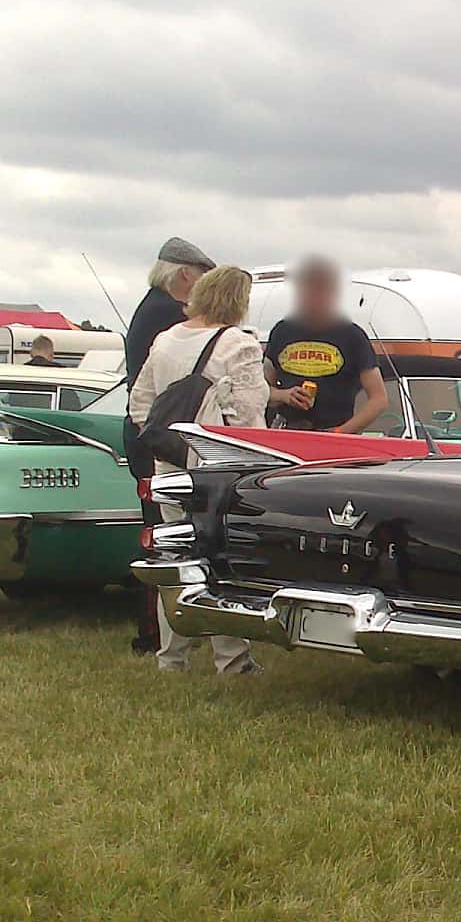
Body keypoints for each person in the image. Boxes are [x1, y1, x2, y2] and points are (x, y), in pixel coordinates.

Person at [129, 265, 268, 675]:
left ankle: (171, 657)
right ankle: (232, 659)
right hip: (218, 469)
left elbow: (141, 403)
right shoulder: (238, 344)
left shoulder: (166, 339)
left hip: (169, 464)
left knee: (177, 558)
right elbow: (247, 417)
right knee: (220, 560)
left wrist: (171, 441)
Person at [121, 236, 215, 654]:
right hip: (164, 437)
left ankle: (165, 630)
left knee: (163, 531)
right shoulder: (167, 314)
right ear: (183, 275)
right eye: (200, 280)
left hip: (148, 433)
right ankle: (155, 634)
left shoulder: (149, 306)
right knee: (166, 536)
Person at [263, 256, 389, 432]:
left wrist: (341, 432)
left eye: (321, 289)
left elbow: (379, 399)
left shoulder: (352, 336)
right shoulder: (282, 331)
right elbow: (261, 389)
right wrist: (284, 395)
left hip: (332, 433)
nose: (314, 296)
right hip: (287, 431)